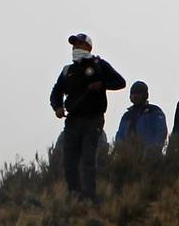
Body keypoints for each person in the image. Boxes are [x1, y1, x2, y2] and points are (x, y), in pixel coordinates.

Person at [49, 33, 126, 200]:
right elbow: (56, 93)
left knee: (88, 159)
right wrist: (57, 107)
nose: (75, 48)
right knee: (69, 159)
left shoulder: (99, 64)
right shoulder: (67, 70)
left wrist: (102, 84)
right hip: (73, 120)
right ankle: (74, 194)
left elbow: (120, 82)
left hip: (94, 119)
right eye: (74, 45)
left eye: (79, 45)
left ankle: (90, 196)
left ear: (88, 48)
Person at [114, 81, 168, 155]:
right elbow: (120, 135)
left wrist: (154, 150)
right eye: (133, 93)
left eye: (138, 93)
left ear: (145, 95)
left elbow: (161, 131)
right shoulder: (127, 116)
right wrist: (120, 150)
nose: (135, 96)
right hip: (128, 156)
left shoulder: (154, 111)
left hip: (148, 156)